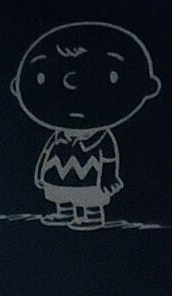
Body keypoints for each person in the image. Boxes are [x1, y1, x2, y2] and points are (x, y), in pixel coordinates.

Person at [9, 22, 160, 229]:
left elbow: (109, 158)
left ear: (148, 87)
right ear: (17, 87)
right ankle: (64, 212)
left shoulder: (101, 138)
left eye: (110, 76)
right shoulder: (59, 136)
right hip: (58, 171)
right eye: (42, 77)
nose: (72, 83)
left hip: (91, 174)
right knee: (59, 191)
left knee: (90, 195)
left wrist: (108, 176)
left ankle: (92, 215)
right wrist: (40, 173)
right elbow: (46, 153)